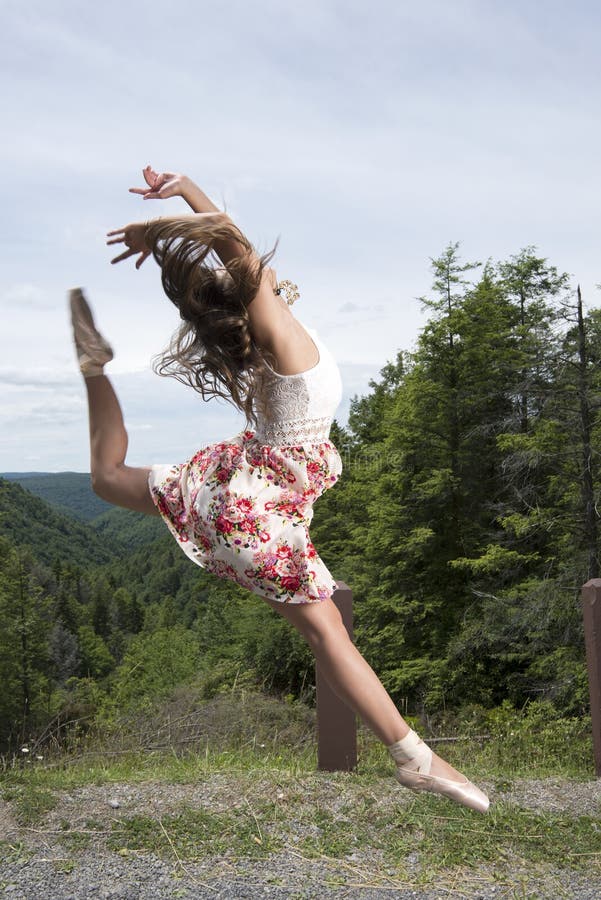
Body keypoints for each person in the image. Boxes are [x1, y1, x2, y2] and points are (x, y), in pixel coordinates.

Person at [69, 165, 490, 813]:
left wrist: (182, 193)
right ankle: (414, 759)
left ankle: (95, 368)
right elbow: (232, 242)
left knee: (107, 478)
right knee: (327, 635)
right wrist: (171, 213)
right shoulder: (281, 339)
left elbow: (230, 243)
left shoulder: (273, 334)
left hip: (235, 489)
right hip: (256, 508)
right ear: (248, 295)